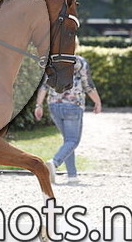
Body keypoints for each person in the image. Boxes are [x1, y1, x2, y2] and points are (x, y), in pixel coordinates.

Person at [33, 41, 102, 185]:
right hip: (73, 106)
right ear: (75, 46)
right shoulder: (80, 62)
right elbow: (88, 85)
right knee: (73, 140)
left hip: (54, 106)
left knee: (68, 141)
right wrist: (97, 102)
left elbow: (44, 86)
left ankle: (72, 175)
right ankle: (54, 163)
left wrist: (39, 105)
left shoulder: (52, 62)